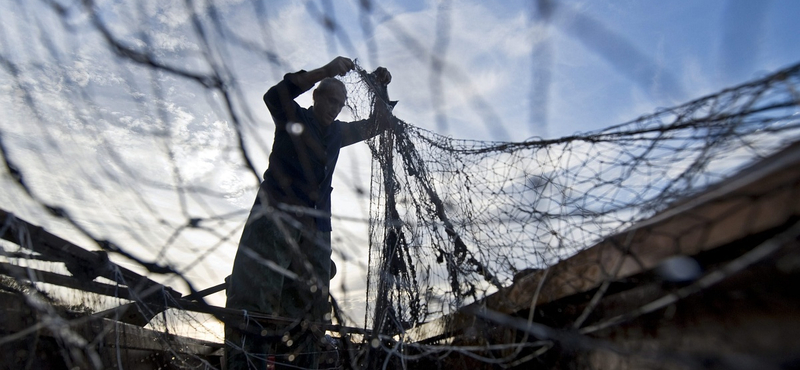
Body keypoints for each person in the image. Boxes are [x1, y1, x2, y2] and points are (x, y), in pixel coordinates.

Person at [225, 56, 395, 370]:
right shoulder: (294, 117)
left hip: (317, 229)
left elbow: (378, 125)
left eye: (341, 103)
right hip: (274, 216)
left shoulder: (337, 134)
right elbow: (273, 96)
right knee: (255, 298)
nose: (336, 107)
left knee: (311, 311)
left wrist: (380, 88)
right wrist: (326, 71)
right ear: (316, 96)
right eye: (330, 99)